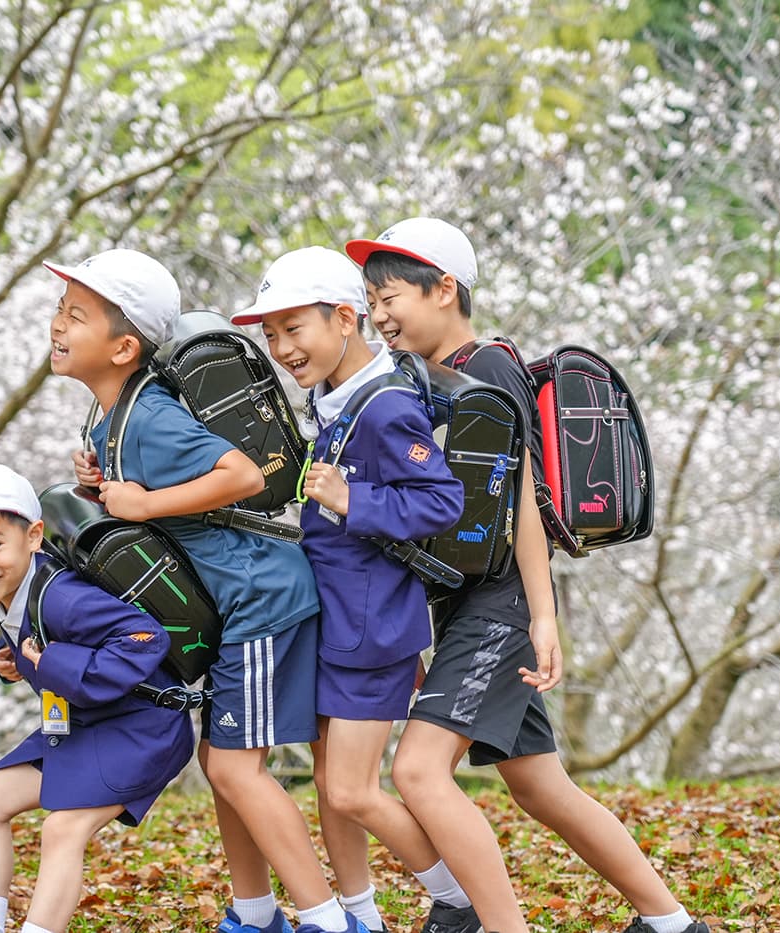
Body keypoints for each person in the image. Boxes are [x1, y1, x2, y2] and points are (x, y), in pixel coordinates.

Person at [345, 218, 711, 933]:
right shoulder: (431, 379)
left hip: (500, 604)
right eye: (370, 299)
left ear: (445, 288)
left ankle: (490, 922)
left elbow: (523, 505)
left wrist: (541, 616)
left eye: (390, 296)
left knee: (417, 772)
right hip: (474, 607)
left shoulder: (485, 370)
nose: (379, 314)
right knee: (541, 785)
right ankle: (671, 923)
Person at [45, 247, 366, 933]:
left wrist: (140, 506)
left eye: (75, 315)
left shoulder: (150, 414)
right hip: (235, 601)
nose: (57, 325)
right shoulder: (111, 418)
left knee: (235, 767)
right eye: (60, 311)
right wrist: (101, 488)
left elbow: (243, 475)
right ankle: (254, 911)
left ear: (125, 345)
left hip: (258, 597)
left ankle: (324, 918)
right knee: (220, 760)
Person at [231, 246, 478, 933]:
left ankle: (460, 897)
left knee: (351, 787)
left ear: (345, 318)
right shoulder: (333, 401)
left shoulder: (384, 405)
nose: (282, 348)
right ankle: (359, 915)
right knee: (330, 785)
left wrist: (353, 496)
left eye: (293, 329)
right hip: (335, 621)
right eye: (270, 334)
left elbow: (440, 500)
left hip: (373, 630)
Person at [0, 462, 195, 933]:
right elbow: (44, 645)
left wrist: (51, 664)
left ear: (33, 536)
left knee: (63, 829)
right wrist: (12, 662)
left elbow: (145, 638)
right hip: (87, 723)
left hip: (141, 730)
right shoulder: (10, 591)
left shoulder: (63, 595)